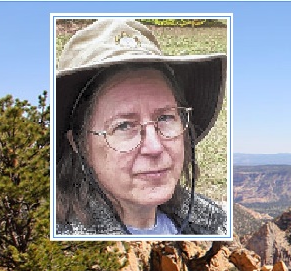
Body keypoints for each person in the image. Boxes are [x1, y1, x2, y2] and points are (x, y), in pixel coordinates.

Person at [54, 18, 228, 237]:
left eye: (165, 117)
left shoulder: (210, 222)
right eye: (124, 125)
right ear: (78, 144)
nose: (154, 148)